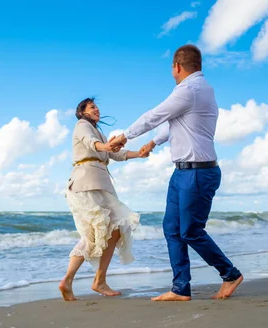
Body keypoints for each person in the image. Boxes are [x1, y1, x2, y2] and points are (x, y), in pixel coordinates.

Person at [110, 45, 243, 301]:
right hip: (183, 172)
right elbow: (174, 122)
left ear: (177, 66)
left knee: (191, 231)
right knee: (172, 228)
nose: (172, 72)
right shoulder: (198, 90)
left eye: (171, 67)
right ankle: (181, 287)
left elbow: (155, 115)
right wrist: (153, 143)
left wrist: (125, 136)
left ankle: (230, 274)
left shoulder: (189, 90)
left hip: (197, 173)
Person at [59, 97, 148, 301]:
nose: (97, 109)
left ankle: (99, 280)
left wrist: (138, 153)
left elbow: (113, 154)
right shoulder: (82, 126)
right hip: (84, 183)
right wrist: (106, 146)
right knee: (92, 236)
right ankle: (69, 281)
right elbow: (94, 145)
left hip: (101, 185)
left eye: (97, 106)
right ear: (82, 112)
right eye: (92, 107)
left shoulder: (98, 131)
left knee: (116, 229)